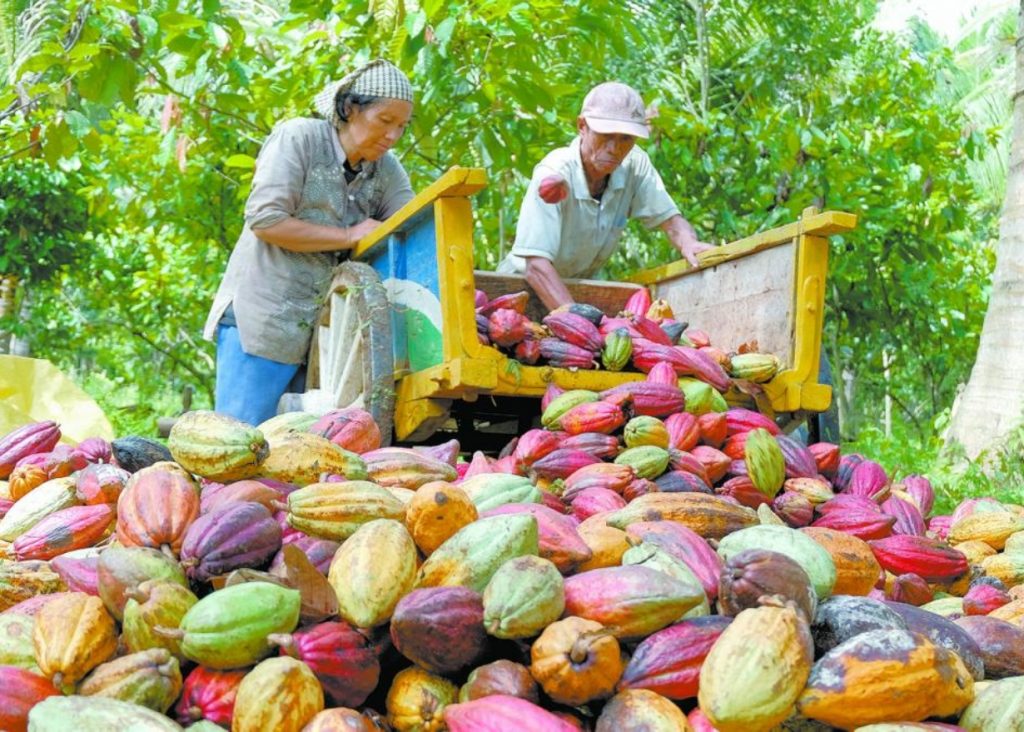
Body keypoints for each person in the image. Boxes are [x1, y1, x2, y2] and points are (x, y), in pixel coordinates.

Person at [203, 59, 415, 426]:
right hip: (263, 322)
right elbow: (265, 219)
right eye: (385, 121)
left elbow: (412, 226)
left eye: (402, 126)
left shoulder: (387, 170)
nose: (393, 135)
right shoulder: (299, 138)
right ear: (350, 109)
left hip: (325, 341)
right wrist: (349, 236)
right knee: (237, 444)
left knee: (296, 458)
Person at [497, 81, 714, 310]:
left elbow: (670, 220)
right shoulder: (554, 173)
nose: (615, 148)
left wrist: (688, 242)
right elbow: (536, 266)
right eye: (606, 135)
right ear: (582, 126)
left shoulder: (634, 165)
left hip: (574, 294)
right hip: (518, 293)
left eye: (626, 139)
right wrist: (577, 322)